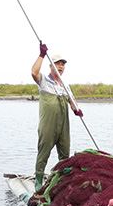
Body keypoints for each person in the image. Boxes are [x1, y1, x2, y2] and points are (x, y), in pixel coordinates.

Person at [31, 41, 83, 190]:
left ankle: (62, 180)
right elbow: (34, 73)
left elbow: (72, 101)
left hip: (63, 125)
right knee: (44, 152)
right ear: (51, 66)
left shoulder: (65, 85)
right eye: (57, 64)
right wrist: (41, 54)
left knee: (65, 153)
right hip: (48, 125)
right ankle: (38, 179)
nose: (60, 67)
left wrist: (76, 109)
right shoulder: (45, 81)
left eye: (62, 65)